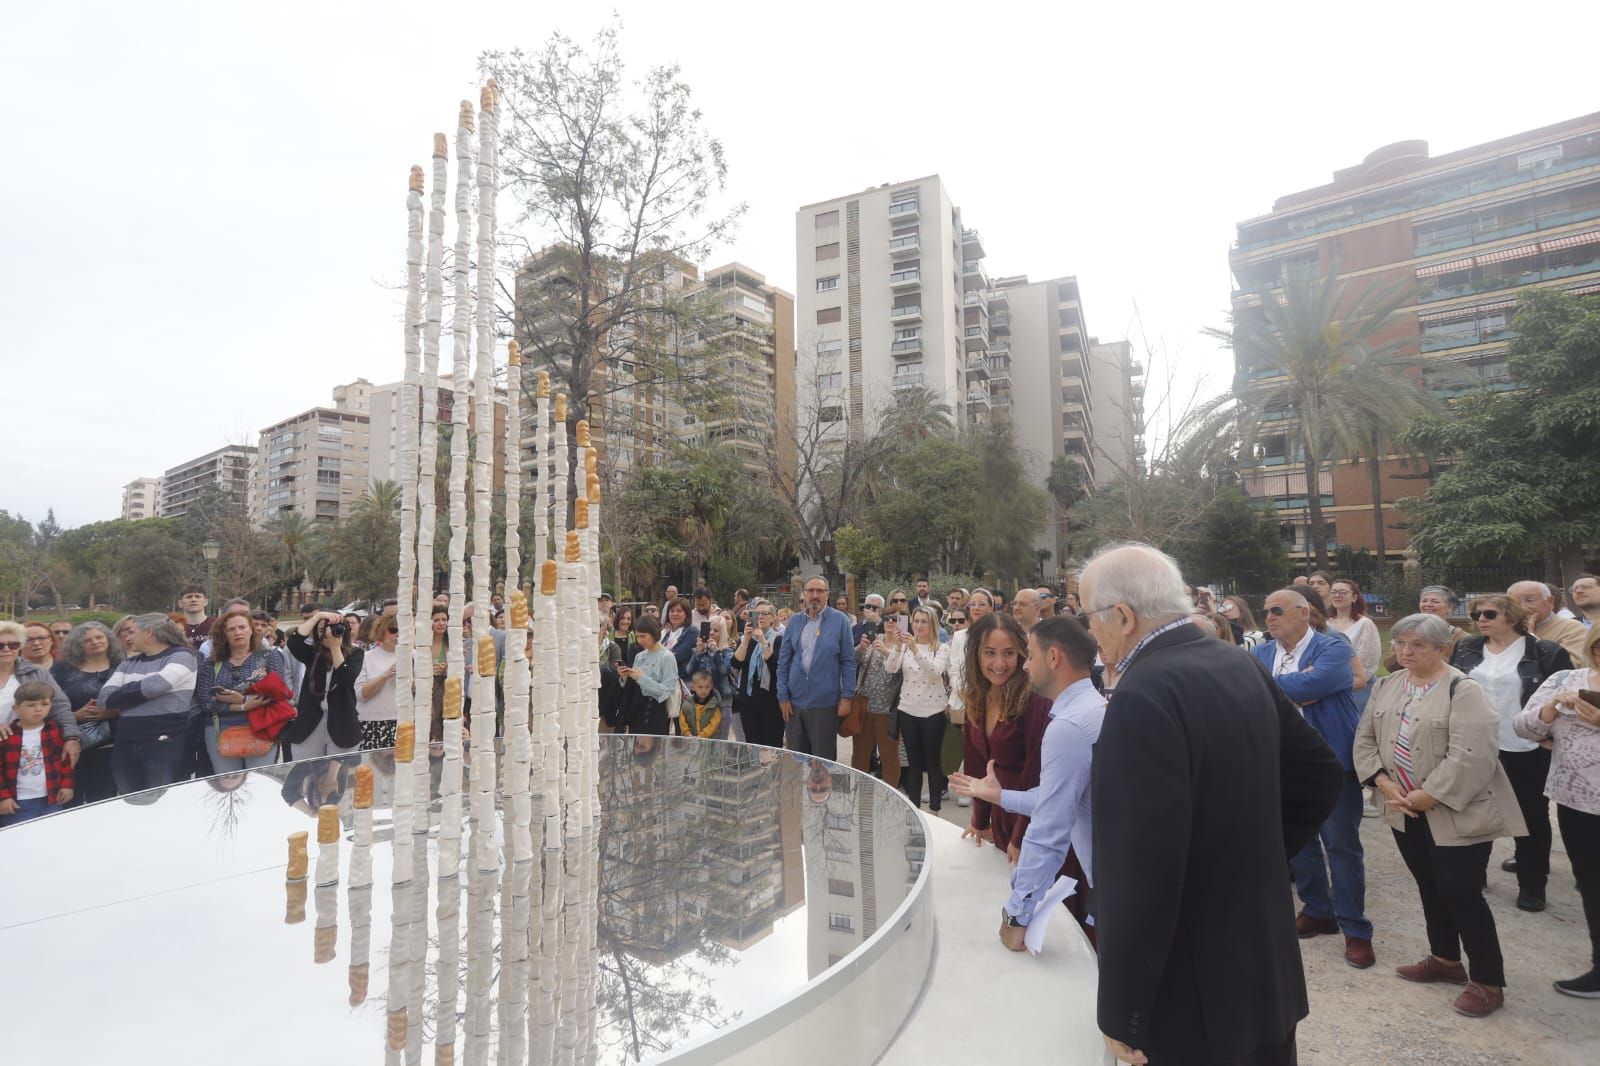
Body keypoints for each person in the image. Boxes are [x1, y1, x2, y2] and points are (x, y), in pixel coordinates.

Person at [1084, 543, 1342, 1064]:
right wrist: (1256, 857)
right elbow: (1318, 773)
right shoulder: (1234, 661)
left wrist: (1121, 1010)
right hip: (1261, 962)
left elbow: (1139, 872)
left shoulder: (1143, 692)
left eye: (1088, 616)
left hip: (1194, 992)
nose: (1089, 632)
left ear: (1123, 616)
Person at [1354, 613, 1527, 1019]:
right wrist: (1382, 782)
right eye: (1400, 644)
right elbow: (1364, 740)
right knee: (1430, 886)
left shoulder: (1462, 689)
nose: (1405, 652)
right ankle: (1445, 960)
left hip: (1454, 811)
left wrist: (1426, 795)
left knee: (1460, 892)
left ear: (1442, 648)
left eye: (1417, 645)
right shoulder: (1388, 684)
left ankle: (1488, 981)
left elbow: (1472, 755)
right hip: (1403, 809)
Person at [951, 615, 1102, 949]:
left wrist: (1016, 917)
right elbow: (1053, 796)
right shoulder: (1086, 710)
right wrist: (990, 808)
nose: (1016, 665)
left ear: (1052, 658)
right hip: (1013, 811)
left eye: (1022, 655)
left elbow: (1048, 822)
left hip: (1052, 841)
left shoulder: (1058, 718)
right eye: (990, 653)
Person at [1254, 587, 1374, 968]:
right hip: (1280, 762)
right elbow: (1250, 691)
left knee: (1341, 844)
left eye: (1277, 610)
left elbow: (1314, 685)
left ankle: (1355, 928)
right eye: (1265, 611)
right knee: (1298, 841)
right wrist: (1293, 690)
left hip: (1331, 761)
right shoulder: (1261, 652)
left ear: (1303, 613)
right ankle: (1318, 909)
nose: (1269, 617)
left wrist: (1281, 689)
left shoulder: (1332, 647)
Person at [1450, 593, 1572, 910]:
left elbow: (1562, 696)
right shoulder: (1467, 648)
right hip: (1475, 746)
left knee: (1529, 817)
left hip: (1524, 747)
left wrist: (1550, 733)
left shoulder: (1544, 652)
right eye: (1476, 615)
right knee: (1473, 811)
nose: (1481, 620)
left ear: (1513, 616)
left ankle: (1532, 884)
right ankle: (1473, 876)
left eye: (1489, 613)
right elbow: (1450, 689)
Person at [1515, 623, 1600, 996]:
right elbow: (1523, 727)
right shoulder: (1567, 677)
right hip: (1576, 800)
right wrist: (1550, 709)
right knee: (1592, 883)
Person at [953, 612, 1050, 860]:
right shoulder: (976, 697)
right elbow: (977, 767)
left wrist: (1020, 837)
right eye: (990, 653)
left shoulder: (1034, 700)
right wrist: (979, 820)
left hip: (1030, 820)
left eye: (1008, 653)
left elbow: (1035, 773)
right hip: (999, 814)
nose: (999, 663)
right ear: (976, 654)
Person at [97, 613, 197, 794]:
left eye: (132, 632)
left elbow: (157, 686)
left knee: (160, 802)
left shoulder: (182, 656)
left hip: (163, 743)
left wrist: (124, 693)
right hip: (126, 743)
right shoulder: (128, 663)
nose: (127, 638)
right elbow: (105, 699)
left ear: (149, 632)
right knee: (130, 801)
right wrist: (143, 691)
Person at [194, 610, 290, 772]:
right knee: (229, 786)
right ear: (223, 634)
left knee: (259, 783)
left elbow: (277, 693)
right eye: (231, 629)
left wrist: (238, 698)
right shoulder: (211, 663)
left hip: (261, 727)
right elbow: (204, 701)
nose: (238, 632)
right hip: (220, 729)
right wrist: (242, 705)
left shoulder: (269, 657)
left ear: (251, 629)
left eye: (242, 627)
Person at [775, 575, 856, 760]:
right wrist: (782, 696)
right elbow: (784, 662)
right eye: (811, 590)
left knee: (823, 762)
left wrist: (847, 696)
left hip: (824, 704)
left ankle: (822, 791)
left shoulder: (840, 621)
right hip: (794, 704)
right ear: (804, 594)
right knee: (797, 762)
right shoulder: (794, 622)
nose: (815, 595)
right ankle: (800, 791)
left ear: (827, 595)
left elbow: (848, 662)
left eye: (820, 591)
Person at [887, 604, 951, 811]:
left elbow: (935, 671)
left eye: (924, 621)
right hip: (907, 710)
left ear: (932, 624)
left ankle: (935, 809)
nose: (919, 625)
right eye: (916, 621)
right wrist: (898, 646)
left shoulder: (942, 648)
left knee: (933, 763)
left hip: (933, 712)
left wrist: (915, 649)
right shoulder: (904, 646)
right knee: (913, 763)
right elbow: (890, 668)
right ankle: (914, 810)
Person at [51, 621, 121, 803]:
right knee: (69, 800)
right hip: (72, 744)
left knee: (103, 801)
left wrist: (112, 712)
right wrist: (75, 716)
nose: (95, 641)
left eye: (99, 637)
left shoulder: (124, 665)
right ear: (78, 645)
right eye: (87, 640)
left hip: (113, 746)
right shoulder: (62, 669)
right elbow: (47, 704)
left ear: (109, 639)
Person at [282, 609, 364, 760]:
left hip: (342, 721)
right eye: (322, 630)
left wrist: (335, 648)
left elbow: (347, 678)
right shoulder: (313, 653)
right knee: (305, 770)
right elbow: (293, 643)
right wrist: (317, 617)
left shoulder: (356, 653)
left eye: (332, 629)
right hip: (310, 720)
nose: (327, 634)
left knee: (338, 776)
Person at [0, 681, 74, 826]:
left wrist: (67, 785)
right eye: (31, 705)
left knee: (52, 835)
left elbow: (65, 761)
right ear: (16, 708)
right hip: (17, 802)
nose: (38, 709)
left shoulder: (55, 730)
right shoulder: (6, 735)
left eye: (44, 704)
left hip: (52, 797)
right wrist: (3, 797)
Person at [851, 621, 902, 787]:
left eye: (895, 618)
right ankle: (861, 801)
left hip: (888, 710)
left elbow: (905, 669)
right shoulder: (874, 639)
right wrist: (860, 649)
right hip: (864, 708)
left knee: (889, 758)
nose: (890, 622)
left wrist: (887, 652)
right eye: (887, 618)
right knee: (860, 756)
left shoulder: (905, 645)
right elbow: (852, 661)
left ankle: (890, 799)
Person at [731, 600, 784, 748]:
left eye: (765, 614)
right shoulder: (744, 639)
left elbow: (776, 667)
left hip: (770, 702)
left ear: (773, 618)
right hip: (748, 701)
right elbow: (735, 664)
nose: (760, 617)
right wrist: (746, 640)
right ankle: (757, 770)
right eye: (756, 614)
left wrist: (762, 640)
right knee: (753, 745)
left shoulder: (778, 639)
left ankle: (772, 772)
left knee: (771, 745)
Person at [1383, 585, 1469, 673]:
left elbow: (1466, 670)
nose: (1428, 605)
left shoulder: (1461, 638)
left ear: (1450, 607)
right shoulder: (1405, 634)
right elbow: (1389, 666)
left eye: (1435, 601)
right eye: (1424, 601)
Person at [1328, 578, 1381, 714]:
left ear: (1354, 597)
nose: (1337, 595)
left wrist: (1347, 681)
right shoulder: (1325, 624)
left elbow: (1368, 661)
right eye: (1334, 592)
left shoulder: (1364, 624)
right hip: (1328, 688)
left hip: (1357, 690)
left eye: (1342, 592)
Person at [617, 615, 675, 736]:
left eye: (643, 636)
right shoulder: (640, 656)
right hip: (637, 711)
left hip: (655, 711)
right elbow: (633, 686)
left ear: (654, 634)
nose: (639, 640)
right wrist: (626, 678)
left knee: (653, 751)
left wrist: (642, 678)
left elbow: (667, 691)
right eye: (637, 636)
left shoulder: (667, 657)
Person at [1510, 579, 1589, 665]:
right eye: (1515, 602)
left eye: (1530, 600)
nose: (1522, 607)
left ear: (1550, 601)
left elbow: (1571, 665)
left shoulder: (1572, 628)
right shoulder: (1505, 628)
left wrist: (1531, 638)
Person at [354, 615, 401, 750]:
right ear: (381, 631)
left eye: (403, 630)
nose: (398, 634)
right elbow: (361, 695)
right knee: (370, 767)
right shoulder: (366, 657)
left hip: (402, 721)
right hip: (371, 721)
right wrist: (386, 675)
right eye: (393, 630)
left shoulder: (413, 655)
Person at [678, 669, 722, 739]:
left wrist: (702, 735)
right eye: (700, 687)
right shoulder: (687, 704)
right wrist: (687, 734)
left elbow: (714, 723)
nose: (703, 690)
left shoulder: (714, 706)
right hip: (689, 740)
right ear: (693, 687)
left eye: (707, 687)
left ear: (711, 687)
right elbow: (682, 720)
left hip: (708, 742)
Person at [176, 585, 213, 651]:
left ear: (206, 602)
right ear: (180, 603)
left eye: (198, 596)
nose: (193, 599)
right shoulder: (173, 627)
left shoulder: (217, 625)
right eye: (189, 597)